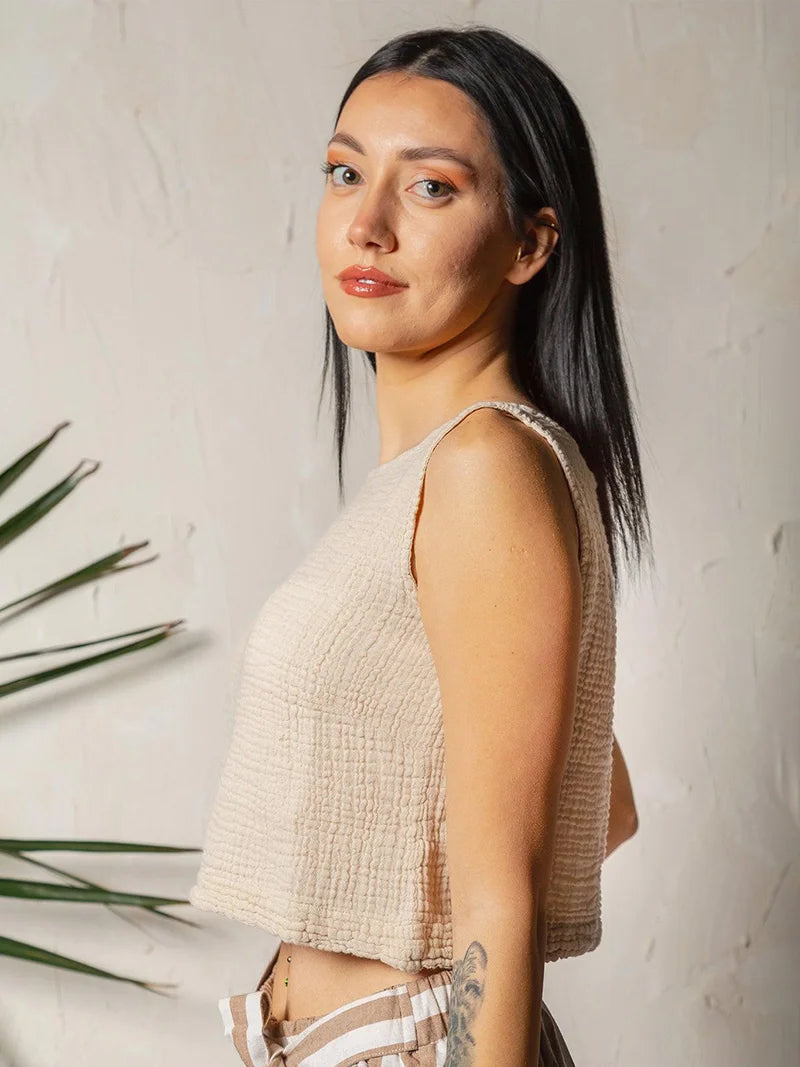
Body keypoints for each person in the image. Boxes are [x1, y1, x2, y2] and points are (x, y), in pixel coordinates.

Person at [190, 23, 651, 1067]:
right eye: (343, 172)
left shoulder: (483, 469)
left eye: (430, 187)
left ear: (531, 243)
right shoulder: (438, 477)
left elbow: (504, 887)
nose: (364, 224)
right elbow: (599, 791)